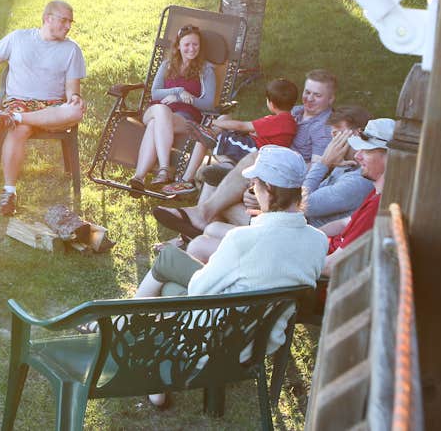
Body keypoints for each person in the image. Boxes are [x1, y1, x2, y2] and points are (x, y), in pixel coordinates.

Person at [129, 146, 327, 408]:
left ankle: (137, 341)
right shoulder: (318, 241)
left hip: (213, 338)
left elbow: (199, 290)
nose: (251, 189)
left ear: (267, 188)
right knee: (172, 276)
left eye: (254, 184)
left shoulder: (242, 239)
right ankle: (141, 342)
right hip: (259, 342)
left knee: (170, 280)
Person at [154, 70, 337, 237]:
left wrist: (274, 188)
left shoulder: (323, 129)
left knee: (249, 161)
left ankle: (199, 218)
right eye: (307, 92)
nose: (309, 99)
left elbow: (316, 167)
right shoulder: (297, 112)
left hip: (282, 182)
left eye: (317, 95)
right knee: (215, 176)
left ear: (331, 99)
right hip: (266, 171)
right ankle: (192, 232)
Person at [0, 0, 87, 216]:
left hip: (51, 107)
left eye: (70, 22)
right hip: (20, 102)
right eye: (64, 20)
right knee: (18, 130)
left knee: (76, 111)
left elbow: (72, 88)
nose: (68, 26)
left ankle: (14, 118)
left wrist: (75, 98)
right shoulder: (19, 38)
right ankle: (9, 192)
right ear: (47, 19)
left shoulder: (72, 50)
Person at [128, 24, 217, 196]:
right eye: (187, 45)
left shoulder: (206, 70)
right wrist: (178, 91)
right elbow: (154, 93)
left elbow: (208, 104)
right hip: (155, 110)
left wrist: (186, 98)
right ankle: (164, 169)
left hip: (184, 118)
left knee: (155, 125)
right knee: (160, 111)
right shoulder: (167, 65)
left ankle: (138, 177)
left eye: (195, 44)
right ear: (178, 46)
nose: (191, 48)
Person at [321, 117, 393, 275]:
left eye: (366, 151)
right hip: (323, 253)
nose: (357, 156)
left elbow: (333, 266)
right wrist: (309, 236)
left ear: (389, 157)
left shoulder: (379, 207)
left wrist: (293, 262)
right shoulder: (377, 193)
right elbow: (344, 223)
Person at [302, 105, 376, 228]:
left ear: (357, 134)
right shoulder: (345, 163)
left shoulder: (359, 180)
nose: (332, 142)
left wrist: (323, 164)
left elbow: (301, 205)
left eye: (337, 134)